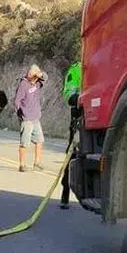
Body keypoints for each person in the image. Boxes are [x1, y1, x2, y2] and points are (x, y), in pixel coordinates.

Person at [13, 64, 47, 172]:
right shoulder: (23, 84)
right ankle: (22, 165)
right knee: (24, 143)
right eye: (30, 72)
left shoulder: (38, 83)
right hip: (26, 119)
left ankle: (37, 162)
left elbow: (45, 77)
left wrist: (40, 74)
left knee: (40, 141)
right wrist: (21, 115)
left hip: (36, 118)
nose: (30, 74)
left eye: (32, 73)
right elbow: (16, 102)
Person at [59, 60, 82, 210]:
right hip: (80, 119)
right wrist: (78, 98)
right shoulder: (76, 70)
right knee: (72, 155)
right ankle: (65, 192)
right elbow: (68, 92)